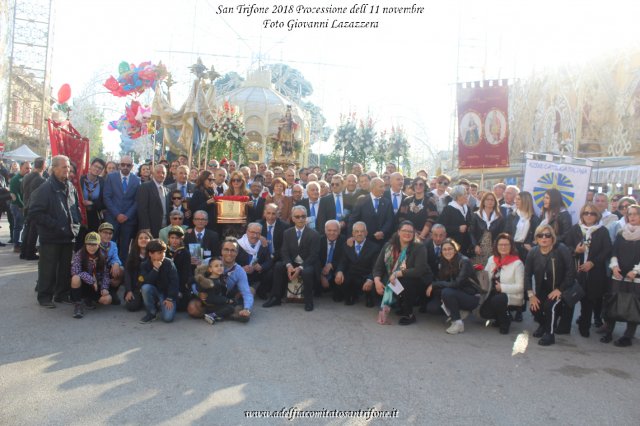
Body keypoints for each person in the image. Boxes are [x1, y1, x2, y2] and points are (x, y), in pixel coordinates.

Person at [30, 155, 81, 307]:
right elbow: (35, 213)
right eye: (64, 167)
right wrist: (56, 225)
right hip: (51, 237)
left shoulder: (70, 186)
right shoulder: (45, 188)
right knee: (48, 269)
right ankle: (45, 297)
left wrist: (76, 225)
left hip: (68, 235)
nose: (68, 170)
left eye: (68, 167)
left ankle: (62, 294)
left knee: (65, 268)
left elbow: (75, 208)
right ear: (54, 168)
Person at [564, 203, 612, 337]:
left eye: (592, 213)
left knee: (588, 301)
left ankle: (584, 327)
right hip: (576, 270)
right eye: (586, 213)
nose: (589, 216)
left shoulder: (602, 230)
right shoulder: (575, 229)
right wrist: (575, 250)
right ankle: (564, 325)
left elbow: (607, 250)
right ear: (582, 215)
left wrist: (593, 262)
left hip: (594, 272)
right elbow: (566, 246)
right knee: (570, 298)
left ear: (597, 216)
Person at [524, 224, 576, 346]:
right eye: (540, 235)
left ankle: (549, 333)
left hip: (561, 288)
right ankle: (543, 325)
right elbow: (526, 275)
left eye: (547, 235)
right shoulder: (533, 252)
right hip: (542, 289)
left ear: (552, 237)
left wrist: (560, 289)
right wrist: (531, 295)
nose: (544, 238)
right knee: (534, 307)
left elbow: (571, 271)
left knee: (549, 306)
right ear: (536, 239)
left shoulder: (561, 249)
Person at [263, 205, 320, 312]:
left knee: (307, 272)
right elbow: (284, 251)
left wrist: (300, 268)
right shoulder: (287, 233)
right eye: (297, 217)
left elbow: (314, 255)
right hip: (293, 262)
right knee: (279, 266)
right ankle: (276, 297)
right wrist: (289, 265)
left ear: (306, 217)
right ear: (292, 218)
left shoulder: (314, 234)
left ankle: (308, 300)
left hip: (306, 263)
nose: (301, 219)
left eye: (303, 216)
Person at [373, 221, 430, 325]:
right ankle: (400, 303)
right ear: (398, 232)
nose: (407, 233)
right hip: (393, 279)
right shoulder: (388, 246)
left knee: (405, 281)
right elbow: (378, 267)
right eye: (404, 230)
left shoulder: (419, 247)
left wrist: (397, 274)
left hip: (417, 281)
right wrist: (377, 282)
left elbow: (419, 270)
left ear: (413, 234)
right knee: (379, 283)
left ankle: (409, 314)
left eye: (410, 232)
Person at [601, 204, 640, 347]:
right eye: (630, 214)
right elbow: (614, 251)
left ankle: (627, 336)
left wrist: (635, 271)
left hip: (635, 276)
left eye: (636, 214)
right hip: (618, 273)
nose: (633, 217)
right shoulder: (621, 233)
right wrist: (614, 266)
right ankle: (609, 332)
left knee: (633, 305)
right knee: (613, 302)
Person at [427, 238, 479, 334]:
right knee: (432, 308)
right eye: (444, 249)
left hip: (471, 296)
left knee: (446, 292)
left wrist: (435, 284)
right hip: (455, 293)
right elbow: (442, 280)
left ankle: (458, 322)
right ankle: (457, 310)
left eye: (450, 249)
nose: (447, 252)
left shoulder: (464, 261)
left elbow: (456, 284)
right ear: (441, 251)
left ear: (455, 250)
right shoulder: (443, 261)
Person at [503, 190, 540, 322]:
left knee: (523, 279)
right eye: (516, 199)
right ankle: (508, 307)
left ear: (526, 201)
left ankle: (520, 309)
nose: (516, 201)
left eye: (518, 199)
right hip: (512, 249)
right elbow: (506, 233)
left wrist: (532, 245)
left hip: (526, 251)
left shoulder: (534, 218)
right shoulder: (511, 216)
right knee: (509, 278)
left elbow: (538, 236)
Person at [480, 233, 524, 334]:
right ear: (496, 246)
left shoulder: (517, 263)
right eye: (500, 245)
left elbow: (520, 287)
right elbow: (486, 276)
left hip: (510, 295)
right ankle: (499, 317)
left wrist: (502, 288)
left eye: (506, 245)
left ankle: (505, 321)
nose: (503, 247)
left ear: (511, 246)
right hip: (494, 293)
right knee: (484, 313)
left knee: (498, 300)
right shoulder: (492, 259)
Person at [103, 155, 141, 263]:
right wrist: (117, 214)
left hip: (128, 220)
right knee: (109, 246)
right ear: (119, 165)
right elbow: (107, 197)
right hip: (112, 218)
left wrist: (127, 215)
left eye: (128, 165)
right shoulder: (111, 177)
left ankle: (122, 273)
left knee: (124, 248)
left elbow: (137, 201)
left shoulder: (136, 180)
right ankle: (108, 272)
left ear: (132, 166)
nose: (125, 167)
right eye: (123, 164)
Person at [335, 221, 381, 306]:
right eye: (357, 231)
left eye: (362, 231)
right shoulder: (347, 245)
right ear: (353, 233)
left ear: (366, 233)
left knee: (370, 305)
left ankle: (368, 296)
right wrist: (339, 271)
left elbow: (376, 267)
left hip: (366, 276)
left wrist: (371, 279)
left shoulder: (375, 248)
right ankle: (351, 294)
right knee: (343, 280)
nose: (359, 234)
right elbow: (343, 261)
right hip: (351, 275)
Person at [70, 232, 112, 318]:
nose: (91, 247)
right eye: (89, 244)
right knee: (75, 278)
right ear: (85, 244)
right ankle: (78, 305)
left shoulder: (103, 256)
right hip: (83, 284)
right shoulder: (80, 254)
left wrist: (104, 288)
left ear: (99, 245)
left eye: (94, 245)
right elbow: (75, 271)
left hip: (96, 286)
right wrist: (91, 280)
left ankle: (89, 299)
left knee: (107, 299)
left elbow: (106, 275)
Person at [139, 239, 179, 324]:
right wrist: (155, 269)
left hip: (166, 293)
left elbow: (174, 282)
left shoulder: (169, 263)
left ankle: (161, 305)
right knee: (145, 288)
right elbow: (146, 281)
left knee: (168, 318)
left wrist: (170, 298)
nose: (163, 255)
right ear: (150, 254)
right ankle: (151, 313)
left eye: (164, 252)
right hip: (154, 291)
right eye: (159, 253)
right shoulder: (144, 265)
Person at [189, 257, 235, 324]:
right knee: (230, 308)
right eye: (216, 266)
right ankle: (212, 315)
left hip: (218, 301)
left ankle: (218, 315)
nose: (219, 267)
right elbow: (210, 298)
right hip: (210, 305)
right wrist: (226, 300)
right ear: (210, 269)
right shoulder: (210, 282)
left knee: (234, 302)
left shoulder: (220, 279)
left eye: (221, 265)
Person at [348, 177, 394, 243]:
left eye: (384, 186)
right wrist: (350, 236)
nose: (383, 189)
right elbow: (353, 219)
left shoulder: (387, 202)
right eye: (381, 187)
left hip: (382, 240)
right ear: (373, 187)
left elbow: (390, 220)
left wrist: (382, 232)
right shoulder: (362, 200)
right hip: (365, 241)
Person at [397, 176, 438, 241]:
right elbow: (402, 218)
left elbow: (432, 219)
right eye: (415, 184)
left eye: (421, 184)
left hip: (424, 236)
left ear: (425, 186)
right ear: (413, 186)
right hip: (407, 235)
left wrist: (421, 235)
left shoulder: (430, 201)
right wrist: (410, 233)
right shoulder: (407, 200)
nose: (418, 186)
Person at [21, 157, 46, 260]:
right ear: (43, 165)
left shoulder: (26, 176)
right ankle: (29, 253)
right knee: (33, 232)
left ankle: (24, 252)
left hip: (26, 205)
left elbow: (22, 190)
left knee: (27, 230)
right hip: (34, 207)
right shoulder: (40, 179)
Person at [469, 191, 504, 266]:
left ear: (495, 202)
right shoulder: (476, 215)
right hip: (479, 249)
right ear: (483, 201)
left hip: (493, 249)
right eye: (487, 199)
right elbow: (471, 232)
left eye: (492, 200)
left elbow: (501, 234)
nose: (490, 202)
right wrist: (475, 245)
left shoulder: (499, 217)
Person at [236, 222, 271, 296]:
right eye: (252, 232)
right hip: (241, 275)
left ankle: (260, 291)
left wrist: (261, 267)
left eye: (258, 233)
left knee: (270, 272)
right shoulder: (238, 244)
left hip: (256, 276)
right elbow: (231, 262)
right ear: (247, 232)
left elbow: (269, 261)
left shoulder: (263, 244)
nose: (255, 236)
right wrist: (241, 268)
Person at [164, 225, 194, 312]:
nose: (174, 240)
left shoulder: (185, 252)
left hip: (179, 283)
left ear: (181, 239)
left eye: (177, 238)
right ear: (168, 238)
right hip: (165, 282)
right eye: (172, 238)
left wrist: (179, 290)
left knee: (182, 307)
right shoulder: (164, 250)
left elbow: (186, 273)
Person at [437, 185, 472, 254]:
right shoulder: (448, 209)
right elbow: (442, 227)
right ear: (458, 196)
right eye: (465, 194)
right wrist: (457, 228)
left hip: (466, 245)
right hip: (453, 244)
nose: (467, 196)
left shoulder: (467, 207)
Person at [123, 230, 152, 312]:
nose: (143, 240)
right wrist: (129, 290)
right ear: (137, 241)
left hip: (149, 286)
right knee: (131, 306)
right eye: (141, 238)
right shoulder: (132, 254)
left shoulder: (155, 254)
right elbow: (127, 273)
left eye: (146, 238)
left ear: (151, 240)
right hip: (135, 287)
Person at [137, 164, 168, 238]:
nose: (161, 175)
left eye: (163, 173)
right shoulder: (145, 187)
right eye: (158, 172)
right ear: (153, 173)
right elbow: (142, 209)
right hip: (151, 228)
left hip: (165, 228)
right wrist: (146, 227)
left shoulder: (167, 190)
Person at [319, 220, 346, 299]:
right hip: (321, 270)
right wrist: (321, 276)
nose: (332, 233)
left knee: (338, 298)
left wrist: (331, 265)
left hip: (335, 270)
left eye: (335, 230)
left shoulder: (344, 241)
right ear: (325, 230)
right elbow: (315, 260)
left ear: (339, 231)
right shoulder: (319, 240)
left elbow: (344, 259)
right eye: (329, 230)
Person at [97, 222, 123, 304]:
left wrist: (116, 263)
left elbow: (116, 258)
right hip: (96, 272)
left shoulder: (113, 244)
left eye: (110, 233)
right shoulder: (94, 244)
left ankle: (112, 290)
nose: (108, 235)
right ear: (99, 233)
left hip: (107, 271)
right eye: (105, 232)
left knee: (121, 269)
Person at [79, 158, 106, 234]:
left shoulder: (103, 182)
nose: (97, 169)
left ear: (102, 171)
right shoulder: (80, 179)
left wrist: (92, 203)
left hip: (94, 216)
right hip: (80, 215)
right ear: (90, 166)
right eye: (95, 166)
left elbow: (104, 201)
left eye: (100, 168)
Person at [9, 161, 31, 252]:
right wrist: (22, 206)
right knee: (18, 226)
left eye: (30, 168)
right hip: (17, 206)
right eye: (27, 168)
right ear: (21, 168)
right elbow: (15, 195)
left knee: (23, 226)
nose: (29, 170)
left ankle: (21, 243)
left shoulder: (27, 178)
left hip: (25, 206)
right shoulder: (16, 179)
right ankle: (17, 245)